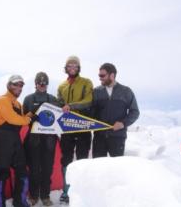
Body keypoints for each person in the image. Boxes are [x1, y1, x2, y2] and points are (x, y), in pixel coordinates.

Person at [57, 55, 93, 204]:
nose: (72, 68)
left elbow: (88, 101)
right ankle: (66, 190)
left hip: (83, 126)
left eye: (75, 66)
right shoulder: (61, 86)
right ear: (66, 68)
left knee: (82, 159)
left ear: (78, 68)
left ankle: (81, 193)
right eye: (69, 66)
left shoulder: (86, 82)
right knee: (66, 160)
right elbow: (59, 103)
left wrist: (71, 106)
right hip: (67, 128)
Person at [0, 74, 33, 207]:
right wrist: (27, 119)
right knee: (2, 173)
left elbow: (20, 119)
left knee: (22, 171)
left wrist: (31, 115)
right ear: (9, 85)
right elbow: (12, 118)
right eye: (15, 84)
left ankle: (20, 202)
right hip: (3, 141)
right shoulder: (2, 100)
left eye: (21, 85)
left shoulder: (17, 103)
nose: (19, 87)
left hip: (15, 140)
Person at [23, 72, 58, 206]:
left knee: (47, 169)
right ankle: (33, 195)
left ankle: (45, 196)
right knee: (33, 169)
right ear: (35, 84)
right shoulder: (28, 99)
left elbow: (60, 116)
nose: (42, 85)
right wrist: (31, 116)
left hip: (49, 140)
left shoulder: (53, 98)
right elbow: (24, 117)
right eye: (39, 83)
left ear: (47, 84)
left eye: (44, 83)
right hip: (34, 139)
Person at [92, 63, 140, 158]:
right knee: (98, 167)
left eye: (102, 75)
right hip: (99, 136)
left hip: (117, 137)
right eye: (99, 75)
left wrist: (122, 123)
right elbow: (91, 111)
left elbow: (135, 112)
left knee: (116, 168)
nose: (100, 78)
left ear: (112, 75)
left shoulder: (126, 91)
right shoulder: (96, 91)